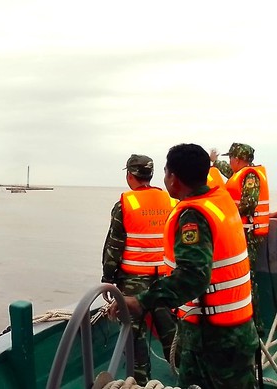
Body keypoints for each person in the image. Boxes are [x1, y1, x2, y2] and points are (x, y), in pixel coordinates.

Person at [110, 143, 259, 389]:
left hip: (213, 338)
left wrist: (140, 301)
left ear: (173, 177)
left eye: (167, 171)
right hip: (238, 327)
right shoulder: (220, 200)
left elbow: (193, 276)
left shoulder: (193, 216)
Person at [101, 154, 179, 385]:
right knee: (170, 331)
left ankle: (141, 382)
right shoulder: (170, 201)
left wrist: (108, 277)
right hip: (165, 280)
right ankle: (184, 375)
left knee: (134, 336)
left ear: (130, 175)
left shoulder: (125, 204)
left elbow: (114, 246)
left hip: (133, 283)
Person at [211, 142, 269, 335]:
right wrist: (215, 162)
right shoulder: (241, 173)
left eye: (230, 159)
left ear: (238, 159)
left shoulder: (251, 176)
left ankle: (256, 325)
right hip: (243, 232)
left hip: (249, 234)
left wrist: (225, 214)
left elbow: (248, 204)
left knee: (247, 279)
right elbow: (229, 171)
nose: (230, 162)